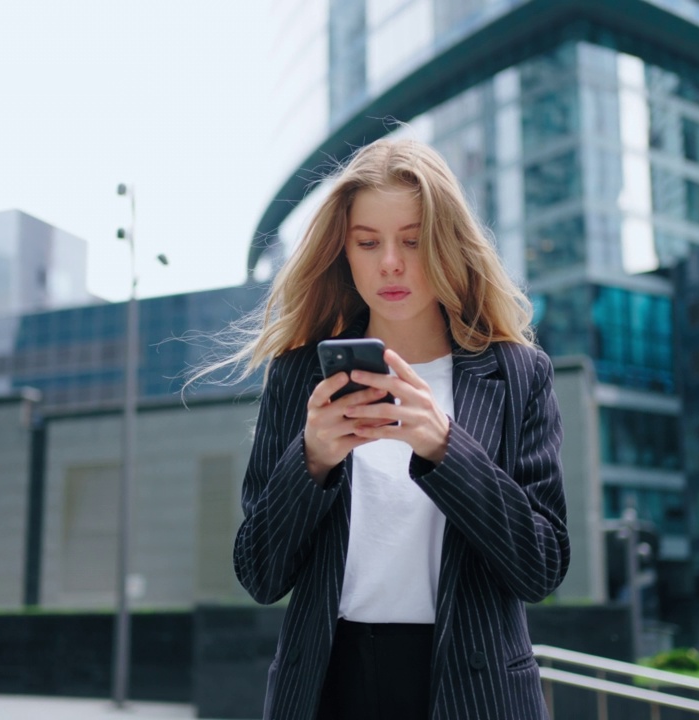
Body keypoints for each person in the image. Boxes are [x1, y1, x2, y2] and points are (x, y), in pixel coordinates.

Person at [226, 138, 570, 720]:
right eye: (368, 242)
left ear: (447, 245)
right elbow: (259, 575)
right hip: (327, 687)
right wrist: (310, 461)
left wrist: (445, 449)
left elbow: (541, 567)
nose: (390, 261)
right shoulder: (298, 377)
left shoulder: (517, 373)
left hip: (475, 690)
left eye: (412, 240)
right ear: (346, 252)